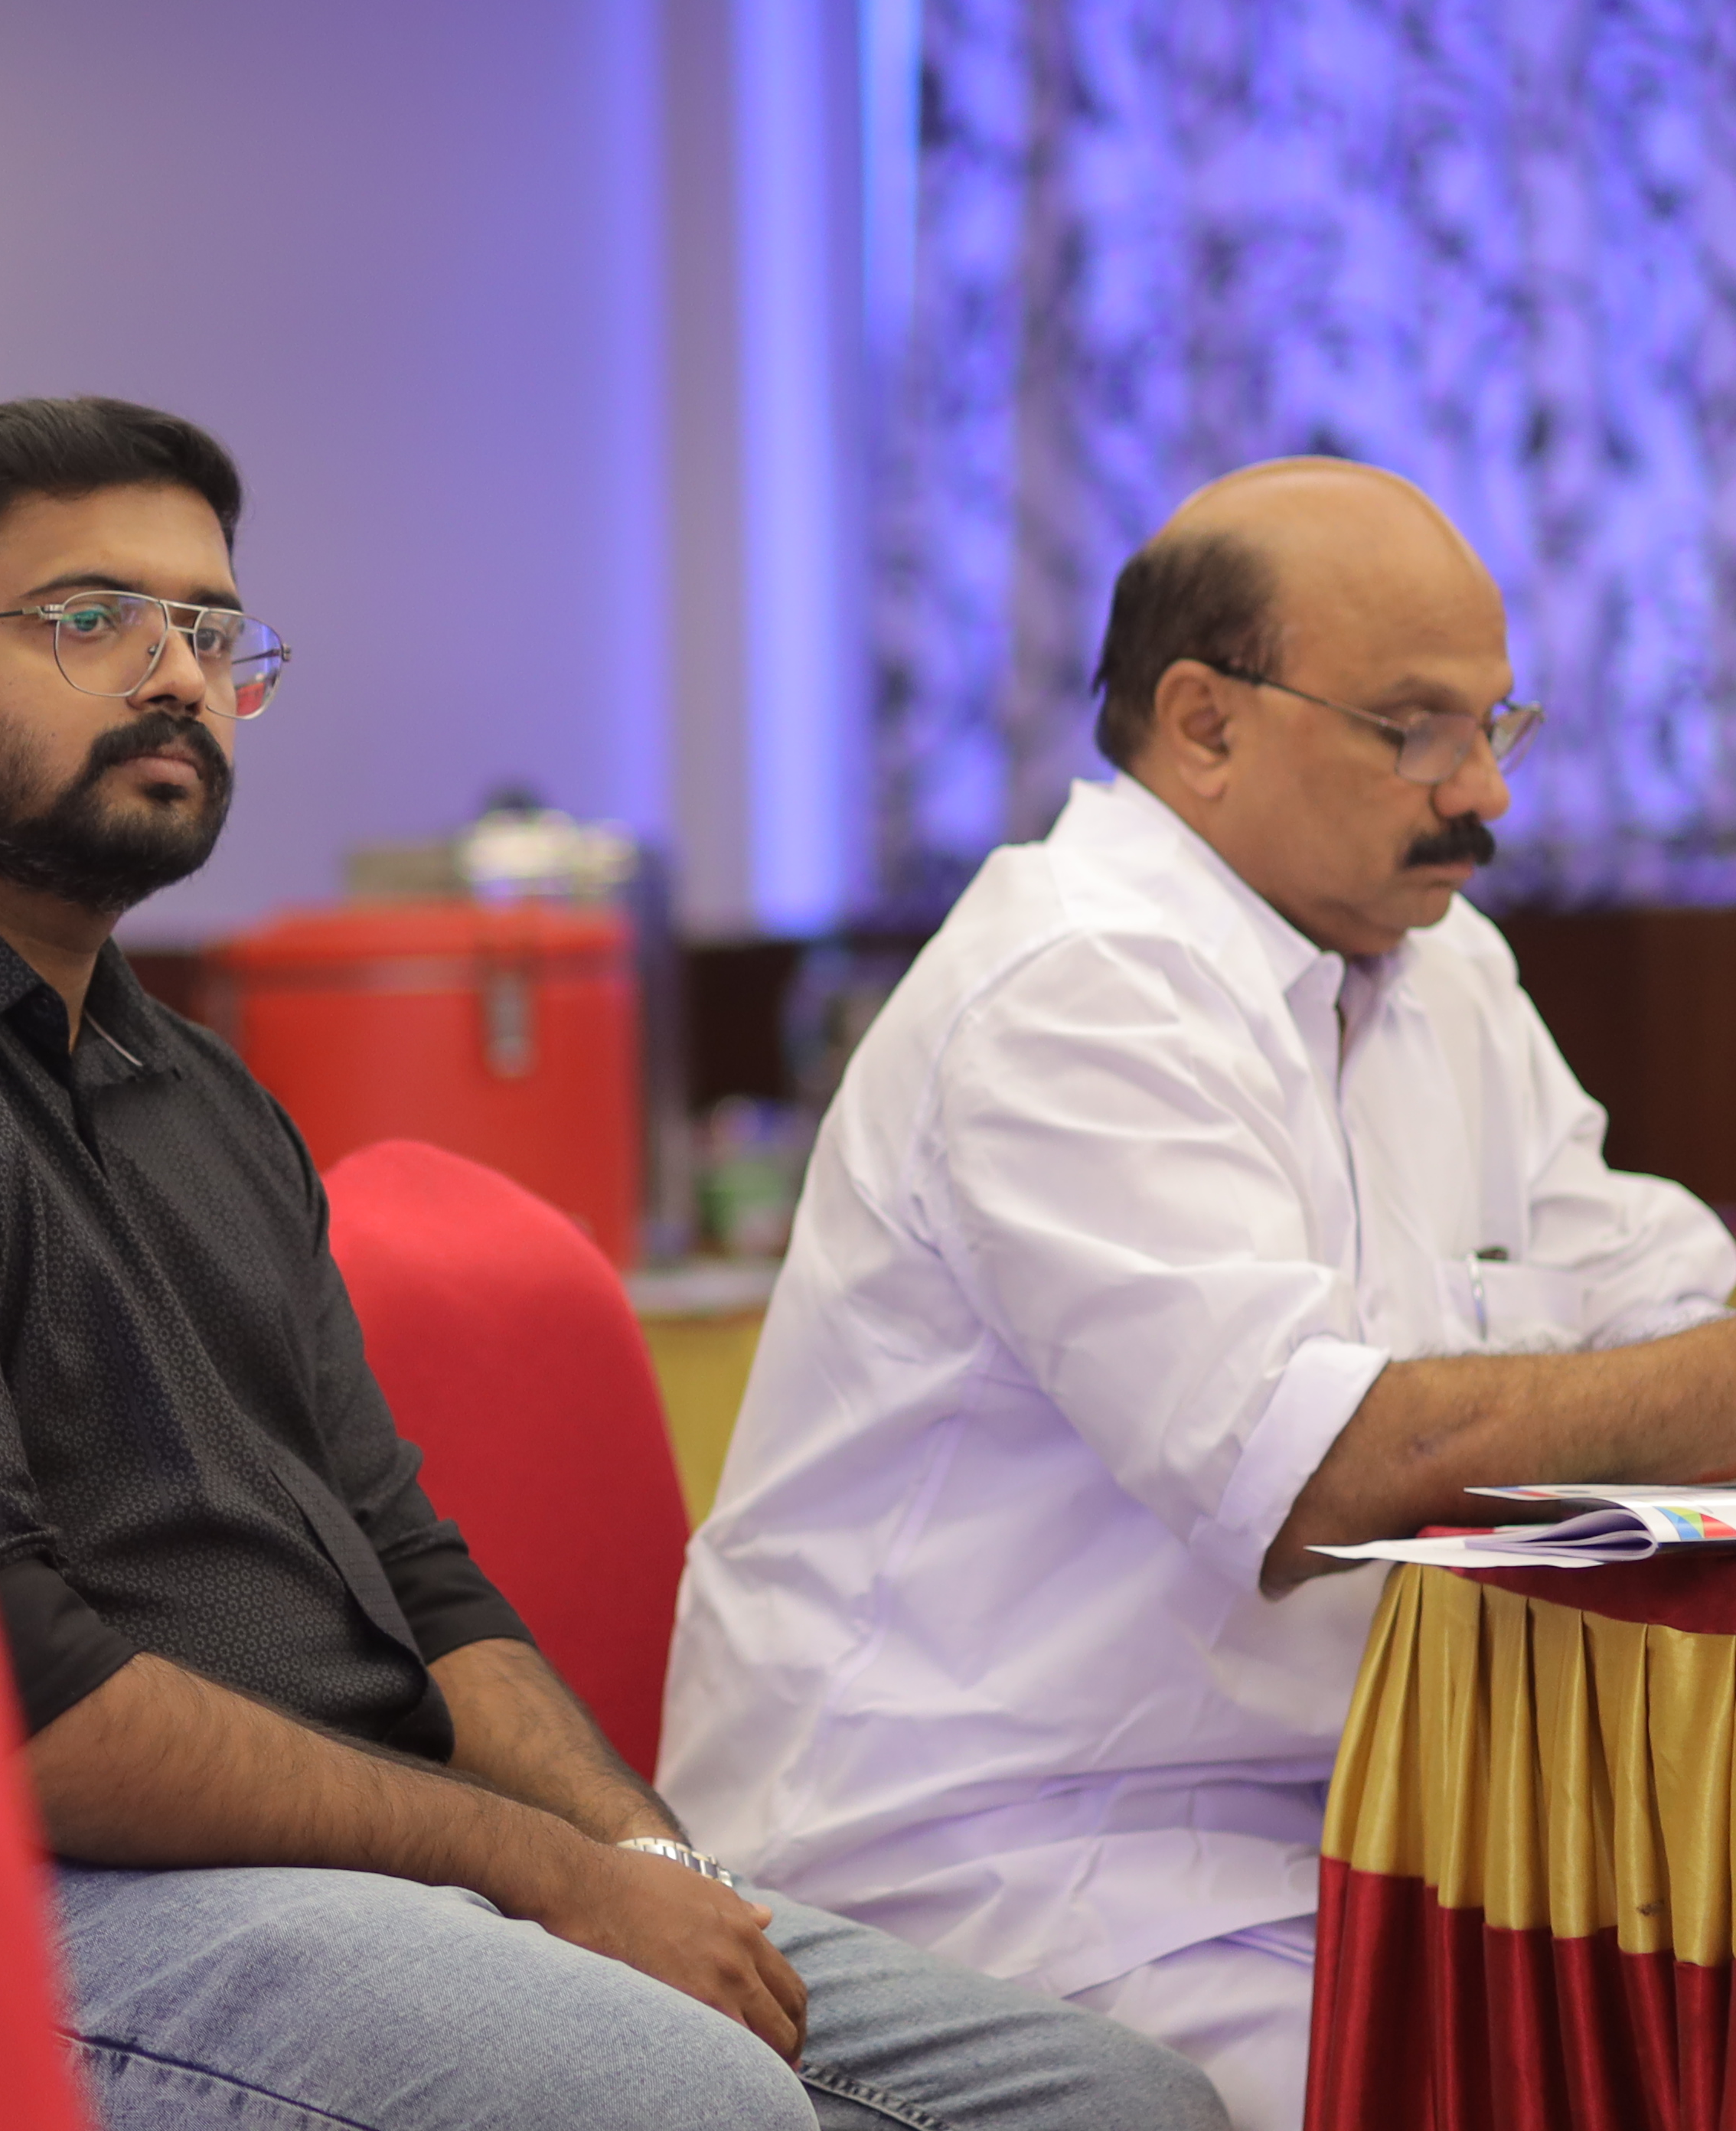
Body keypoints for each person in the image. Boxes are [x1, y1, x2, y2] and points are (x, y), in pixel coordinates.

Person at [0, 396, 1218, 2130]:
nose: (177, 679)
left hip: (352, 1875)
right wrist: (535, 1870)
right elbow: (3, 1703)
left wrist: (639, 1862)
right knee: (681, 2103)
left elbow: (412, 1575)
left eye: (212, 633)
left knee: (1114, 2105)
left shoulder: (195, 1095)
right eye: (93, 620)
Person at [661, 456, 1736, 2131]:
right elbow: (1322, 1475)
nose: (1484, 794)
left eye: (1495, 726)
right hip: (977, 1863)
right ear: (1204, 723)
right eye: (1415, 730)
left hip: (1327, 1824)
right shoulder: (1074, 987)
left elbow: (1657, 1298)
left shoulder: (1439, 966)